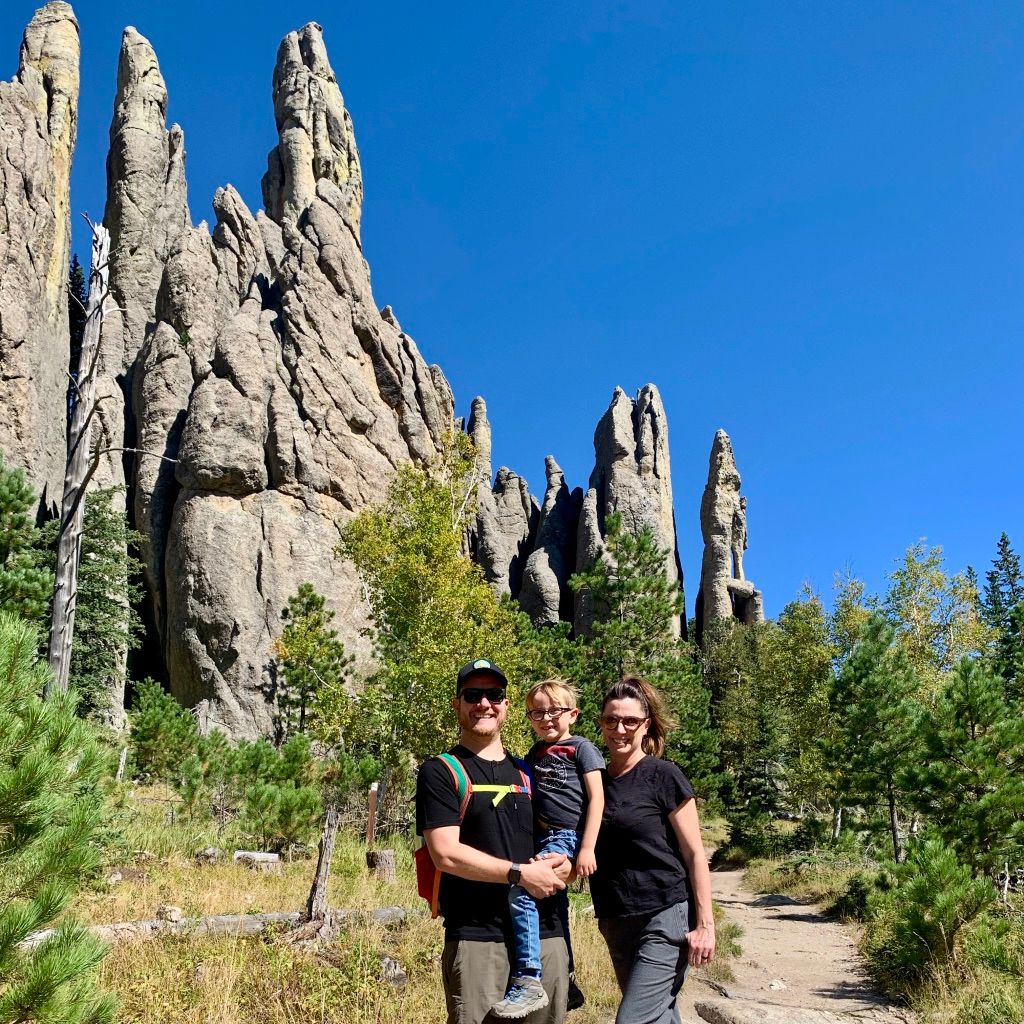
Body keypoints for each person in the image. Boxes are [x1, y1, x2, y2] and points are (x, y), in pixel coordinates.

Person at [416, 659, 571, 1024]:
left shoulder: (531, 771)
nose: (483, 703)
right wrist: (519, 875)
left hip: (546, 934)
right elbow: (446, 854)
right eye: (472, 695)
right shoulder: (440, 771)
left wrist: (568, 864)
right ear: (457, 704)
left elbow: (563, 831)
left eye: (494, 695)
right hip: (477, 937)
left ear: (506, 705)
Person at [590, 676, 716, 1024]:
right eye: (611, 720)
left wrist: (705, 925)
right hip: (615, 917)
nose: (620, 729)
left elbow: (694, 855)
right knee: (659, 1015)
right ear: (601, 723)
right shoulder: (595, 782)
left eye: (630, 721)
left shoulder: (664, 776)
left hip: (665, 914)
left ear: (645, 725)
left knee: (632, 1019)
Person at [491, 679, 605, 1019]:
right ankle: (567, 977)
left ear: (573, 714)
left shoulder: (581, 748)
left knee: (522, 893)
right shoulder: (535, 754)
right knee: (557, 907)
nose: (546, 719)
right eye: (537, 713)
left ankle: (528, 978)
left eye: (554, 711)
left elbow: (598, 799)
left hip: (566, 836)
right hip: (541, 838)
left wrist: (586, 848)